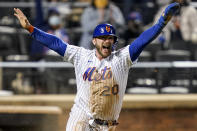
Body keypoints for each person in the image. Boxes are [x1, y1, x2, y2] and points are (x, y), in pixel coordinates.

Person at [14, 2, 180, 131]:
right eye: (102, 37)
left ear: (114, 42)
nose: (106, 40)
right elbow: (56, 43)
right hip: (81, 116)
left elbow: (142, 41)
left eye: (110, 38)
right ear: (94, 41)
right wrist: (30, 28)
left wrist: (161, 24)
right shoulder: (81, 56)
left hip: (107, 125)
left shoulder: (122, 59)